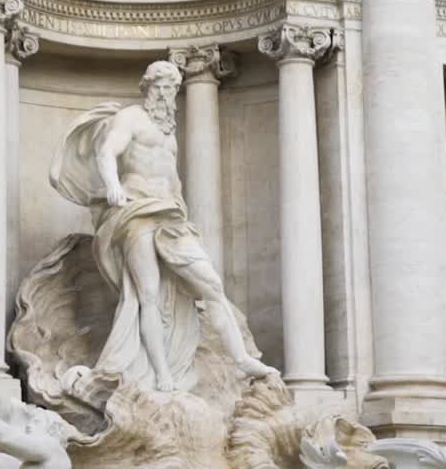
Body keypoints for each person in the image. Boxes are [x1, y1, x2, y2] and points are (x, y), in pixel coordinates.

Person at [49, 61, 276, 392]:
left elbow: (172, 178)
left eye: (172, 87)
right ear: (149, 88)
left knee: (211, 284)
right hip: (136, 211)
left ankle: (240, 359)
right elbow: (106, 151)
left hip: (169, 215)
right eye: (162, 86)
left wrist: (182, 212)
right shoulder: (130, 117)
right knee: (148, 295)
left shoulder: (169, 132)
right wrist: (112, 184)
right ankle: (162, 375)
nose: (167, 93)